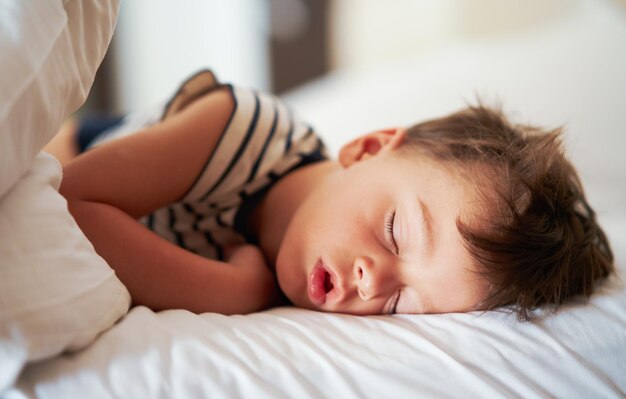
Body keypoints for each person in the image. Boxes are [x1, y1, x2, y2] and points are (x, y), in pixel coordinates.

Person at [47, 70, 614, 320]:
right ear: (367, 148)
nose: (373, 284)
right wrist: (234, 291)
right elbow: (68, 203)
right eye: (396, 232)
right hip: (81, 139)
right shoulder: (239, 130)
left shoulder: (312, 279)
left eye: (402, 305)